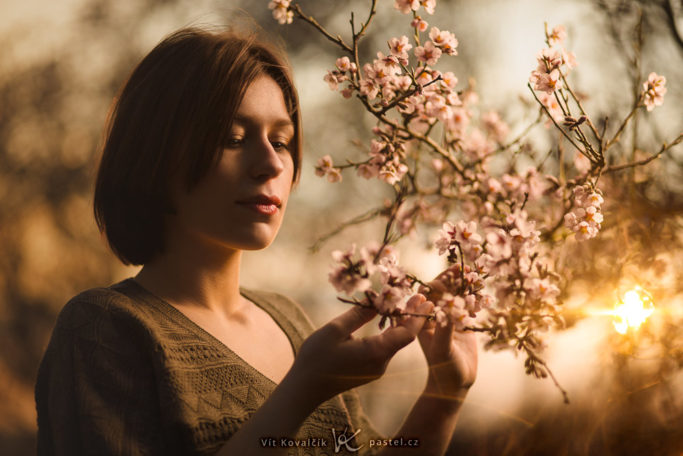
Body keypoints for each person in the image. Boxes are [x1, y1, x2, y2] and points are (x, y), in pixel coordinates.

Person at [35, 26, 477, 456]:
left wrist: (444, 392)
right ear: (156, 153)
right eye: (233, 138)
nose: (270, 163)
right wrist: (302, 391)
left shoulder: (291, 320)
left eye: (281, 141)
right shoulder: (103, 329)